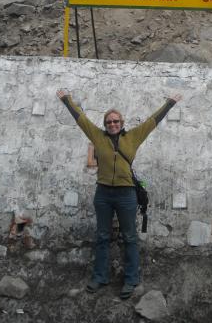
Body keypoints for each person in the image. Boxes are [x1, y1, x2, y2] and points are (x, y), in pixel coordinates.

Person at [56, 89, 182, 299]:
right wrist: (66, 101)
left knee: (130, 237)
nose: (112, 125)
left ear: (122, 123)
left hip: (126, 194)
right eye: (108, 122)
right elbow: (81, 119)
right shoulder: (97, 136)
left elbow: (153, 121)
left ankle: (131, 279)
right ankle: (100, 277)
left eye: (116, 121)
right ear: (105, 125)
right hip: (103, 193)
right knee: (103, 236)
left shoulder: (133, 136)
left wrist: (170, 103)